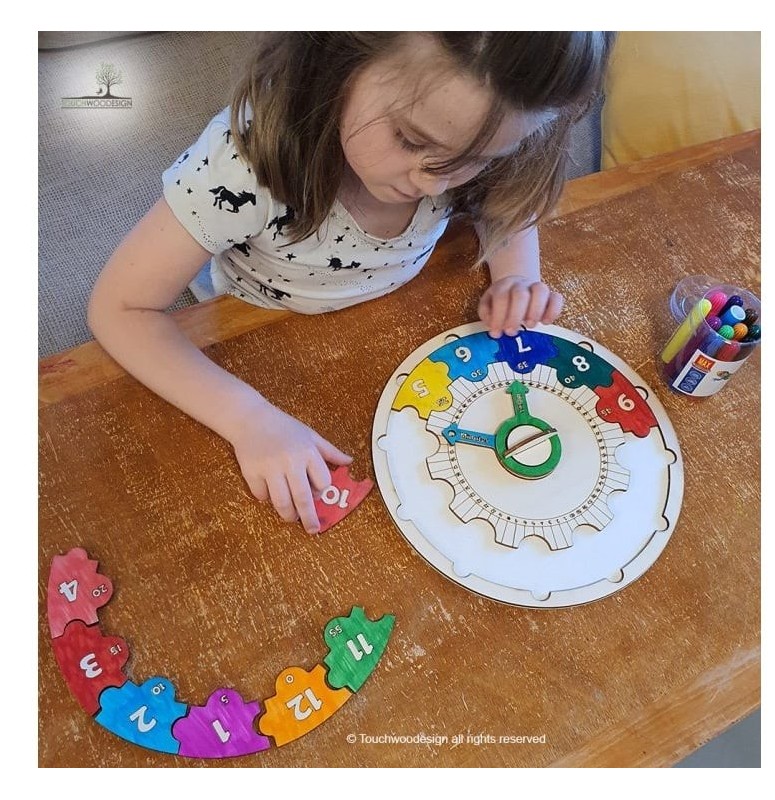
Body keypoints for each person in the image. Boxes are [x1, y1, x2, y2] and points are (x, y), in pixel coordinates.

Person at [88, 32, 615, 534]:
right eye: (411, 140)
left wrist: (516, 273)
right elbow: (120, 310)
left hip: (386, 321)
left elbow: (510, 204)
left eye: (479, 160)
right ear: (335, 60)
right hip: (259, 327)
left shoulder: (490, 123)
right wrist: (250, 420)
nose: (435, 182)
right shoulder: (241, 160)